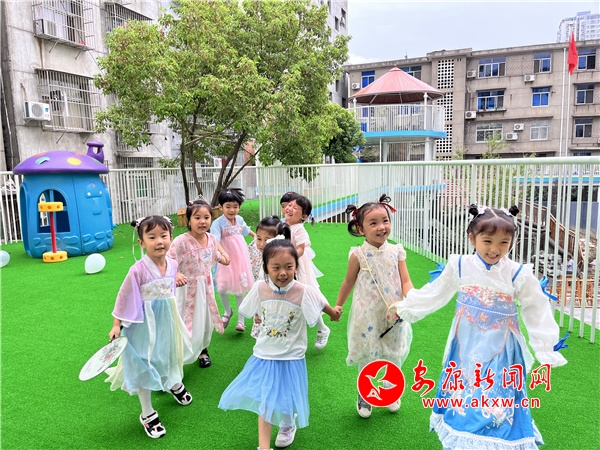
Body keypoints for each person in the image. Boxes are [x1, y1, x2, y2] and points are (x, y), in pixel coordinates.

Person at [395, 205, 568, 449]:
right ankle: (466, 435)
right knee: (466, 390)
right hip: (465, 344)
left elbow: (537, 307)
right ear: (472, 238)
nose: (495, 249)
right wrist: (407, 306)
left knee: (494, 392)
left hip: (502, 347)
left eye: (504, 243)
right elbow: (436, 292)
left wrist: (545, 346)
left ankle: (492, 438)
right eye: (487, 241)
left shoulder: (517, 273)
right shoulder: (459, 265)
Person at [218, 239, 341, 450]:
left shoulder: (303, 290)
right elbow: (253, 309)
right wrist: (258, 315)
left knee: (286, 394)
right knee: (266, 400)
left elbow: (320, 302)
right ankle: (263, 447)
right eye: (276, 267)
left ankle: (287, 422)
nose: (282, 272)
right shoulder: (260, 288)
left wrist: (333, 313)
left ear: (296, 266)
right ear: (266, 268)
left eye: (288, 267)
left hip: (291, 356)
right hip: (264, 355)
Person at [106, 216, 194, 439]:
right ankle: (147, 412)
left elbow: (168, 290)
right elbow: (124, 296)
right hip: (143, 325)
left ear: (171, 238)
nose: (159, 241)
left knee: (168, 353)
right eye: (152, 237)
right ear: (142, 242)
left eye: (164, 236)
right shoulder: (138, 270)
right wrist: (116, 324)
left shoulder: (172, 264)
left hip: (167, 320)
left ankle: (173, 382)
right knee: (145, 362)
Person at [335, 194, 413, 418]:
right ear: (360, 229)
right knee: (368, 352)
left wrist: (411, 298)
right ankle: (365, 392)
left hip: (394, 313)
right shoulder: (358, 255)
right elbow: (348, 281)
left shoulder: (397, 251)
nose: (381, 227)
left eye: (385, 220)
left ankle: (390, 389)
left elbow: (405, 280)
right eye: (373, 223)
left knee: (393, 352)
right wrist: (338, 305)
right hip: (367, 314)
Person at [167, 199, 230, 368]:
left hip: (205, 288)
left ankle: (203, 350)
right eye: (197, 217)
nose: (202, 221)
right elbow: (167, 260)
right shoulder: (181, 241)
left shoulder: (211, 239)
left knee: (205, 321)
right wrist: (176, 273)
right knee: (185, 321)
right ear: (189, 220)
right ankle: (178, 355)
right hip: (186, 288)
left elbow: (214, 254)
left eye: (206, 217)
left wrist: (223, 259)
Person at [284, 194, 330, 349]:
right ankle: (290, 334)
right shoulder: (283, 225)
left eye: (295, 208)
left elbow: (301, 248)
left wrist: (290, 259)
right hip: (285, 268)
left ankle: (323, 328)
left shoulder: (299, 229)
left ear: (303, 216)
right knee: (289, 299)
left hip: (298, 268)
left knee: (307, 297)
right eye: (289, 205)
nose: (290, 208)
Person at [210, 188, 256, 332]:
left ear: (239, 207)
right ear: (220, 207)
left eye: (235, 207)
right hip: (225, 259)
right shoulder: (217, 223)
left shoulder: (239, 219)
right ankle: (227, 311)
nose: (232, 210)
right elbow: (215, 241)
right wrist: (223, 254)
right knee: (222, 286)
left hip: (240, 259)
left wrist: (255, 236)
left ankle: (241, 321)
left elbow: (245, 230)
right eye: (228, 206)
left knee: (239, 289)